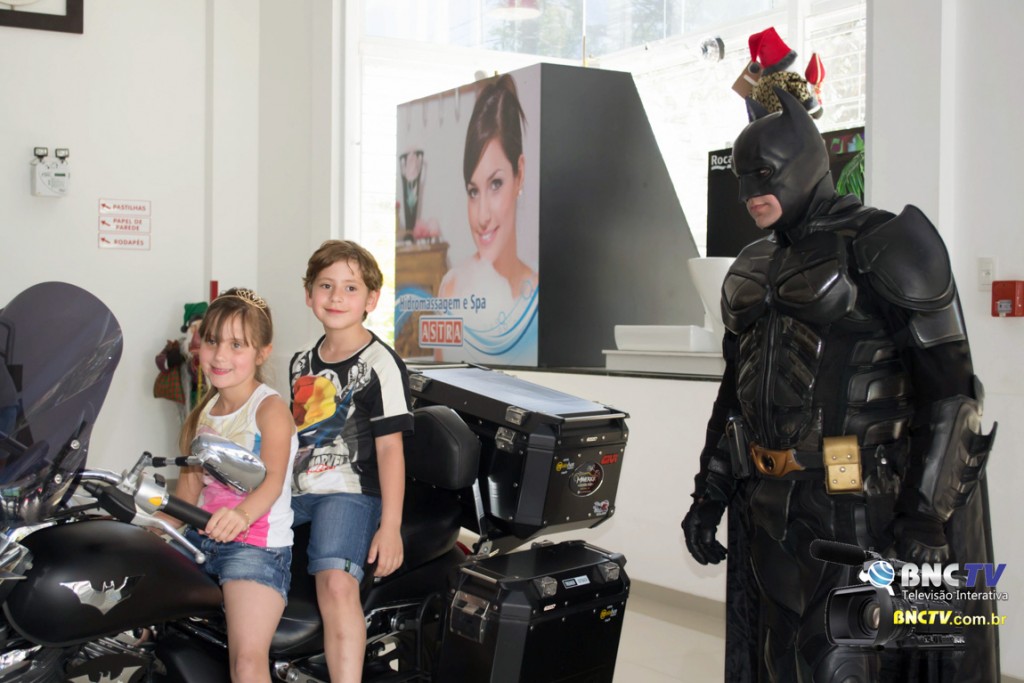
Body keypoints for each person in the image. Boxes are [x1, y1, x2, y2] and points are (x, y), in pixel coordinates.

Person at [681, 89, 998, 682]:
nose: (750, 194)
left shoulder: (887, 244)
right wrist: (709, 495)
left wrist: (925, 516)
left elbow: (951, 392)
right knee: (780, 660)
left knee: (842, 663)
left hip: (861, 504)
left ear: (805, 165)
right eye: (742, 180)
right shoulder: (751, 266)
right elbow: (735, 398)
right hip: (772, 502)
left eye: (764, 176)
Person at [289, 239, 413, 682]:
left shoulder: (381, 363)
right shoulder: (301, 362)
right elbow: (300, 438)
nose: (336, 297)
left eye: (350, 288)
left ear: (371, 300)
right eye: (326, 285)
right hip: (300, 489)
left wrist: (390, 527)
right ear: (309, 294)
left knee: (336, 584)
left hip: (350, 491)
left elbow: (391, 449)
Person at [174, 287, 298, 683]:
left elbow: (273, 480)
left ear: (262, 353)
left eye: (236, 345)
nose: (219, 355)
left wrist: (241, 515)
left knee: (246, 662)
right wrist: (152, 531)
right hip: (200, 539)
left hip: (254, 547)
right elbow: (188, 490)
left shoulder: (269, 409)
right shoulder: (202, 413)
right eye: (212, 341)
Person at [436, 73, 538, 363]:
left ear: (520, 174)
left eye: (495, 184)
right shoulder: (452, 288)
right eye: (473, 191)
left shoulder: (540, 297)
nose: (482, 216)